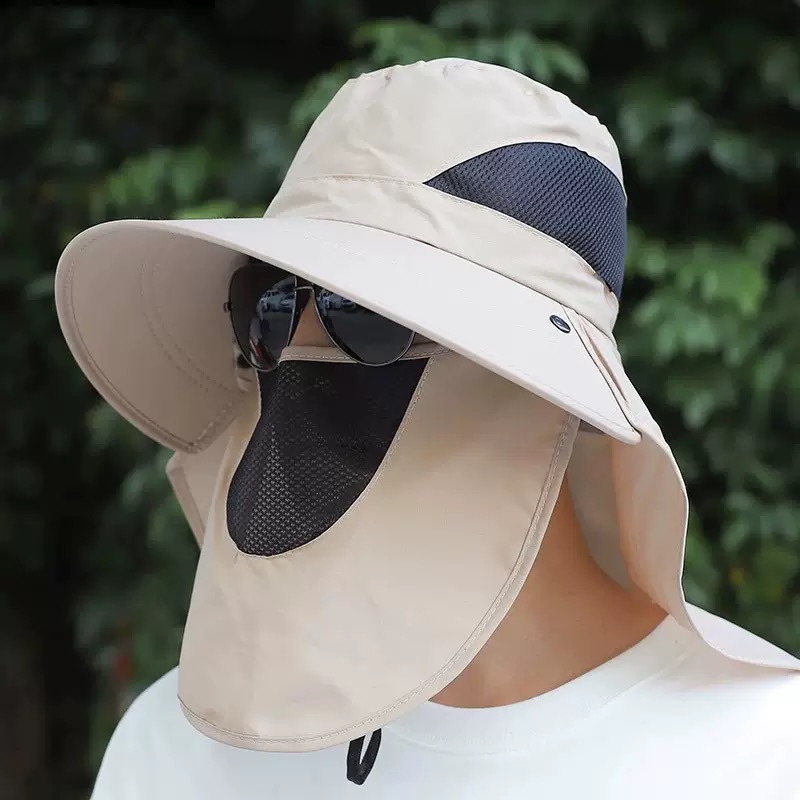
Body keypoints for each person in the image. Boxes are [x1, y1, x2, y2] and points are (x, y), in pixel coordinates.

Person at [54, 58, 800, 799]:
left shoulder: (763, 754)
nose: (300, 352)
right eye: (270, 305)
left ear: (549, 388)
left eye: (366, 312)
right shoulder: (176, 746)